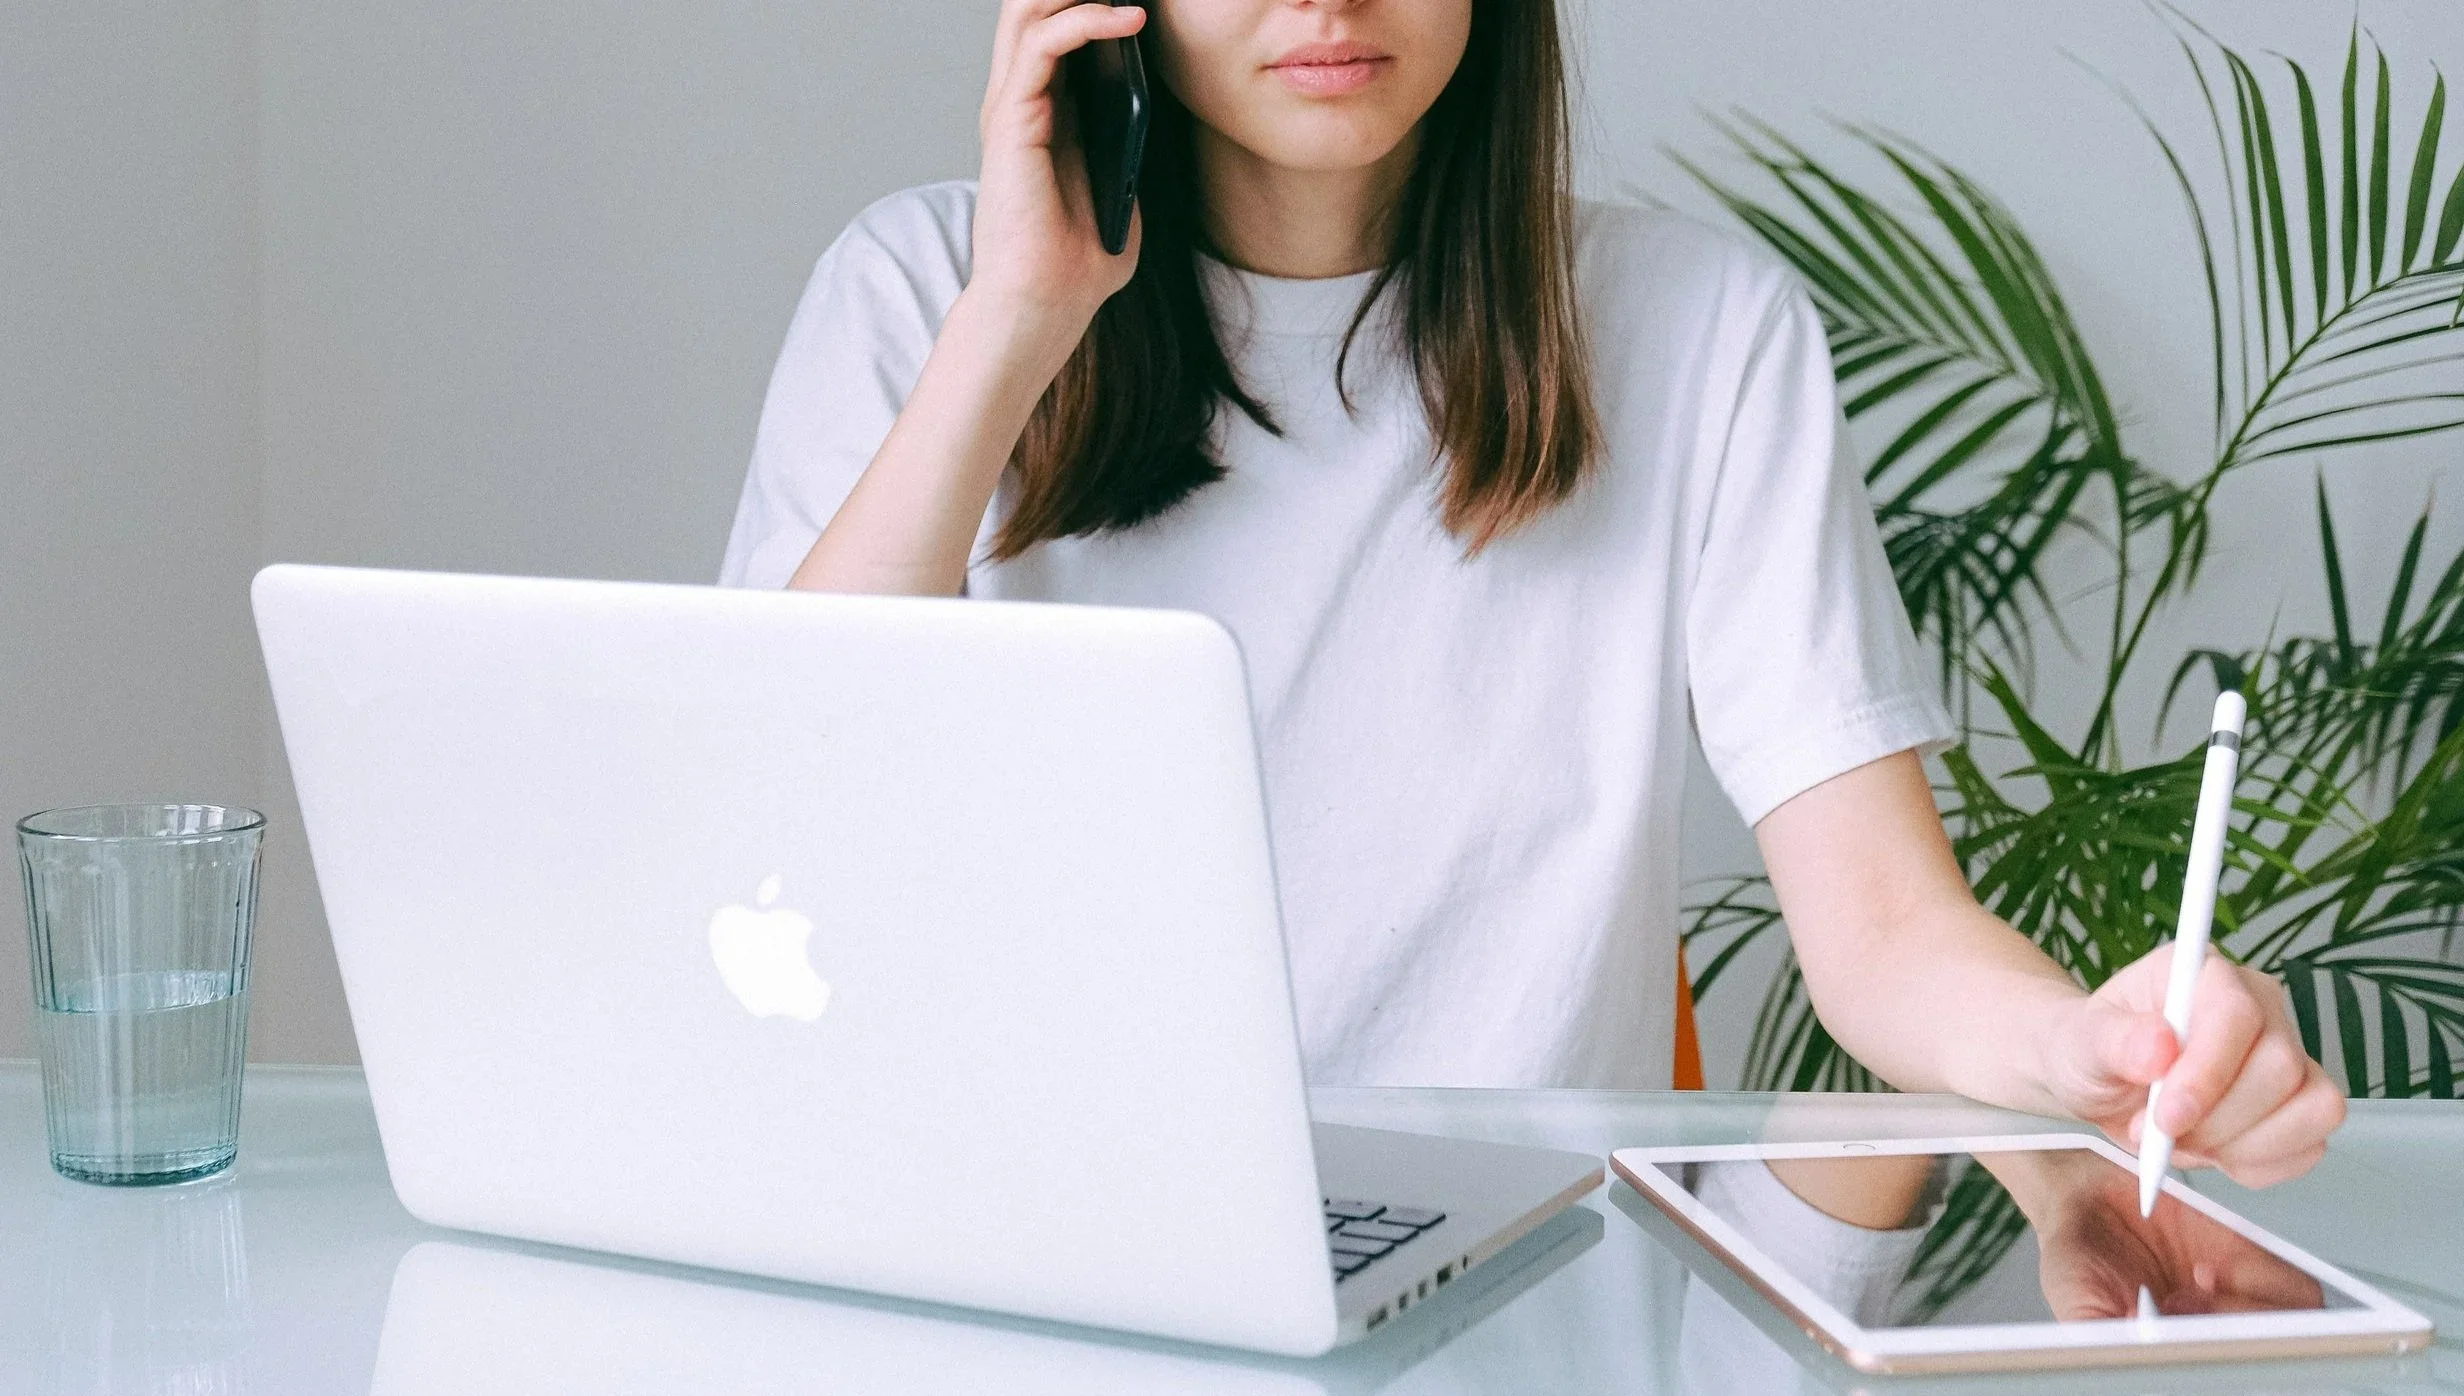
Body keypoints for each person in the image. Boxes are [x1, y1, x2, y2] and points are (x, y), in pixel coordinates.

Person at [718, 0, 2343, 1188]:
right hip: (1012, 1250)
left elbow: (1887, 933)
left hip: (1524, 1285)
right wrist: (1016, 317)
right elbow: (771, 815)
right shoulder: (918, 291)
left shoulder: (1703, 330)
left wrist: (2084, 1054)